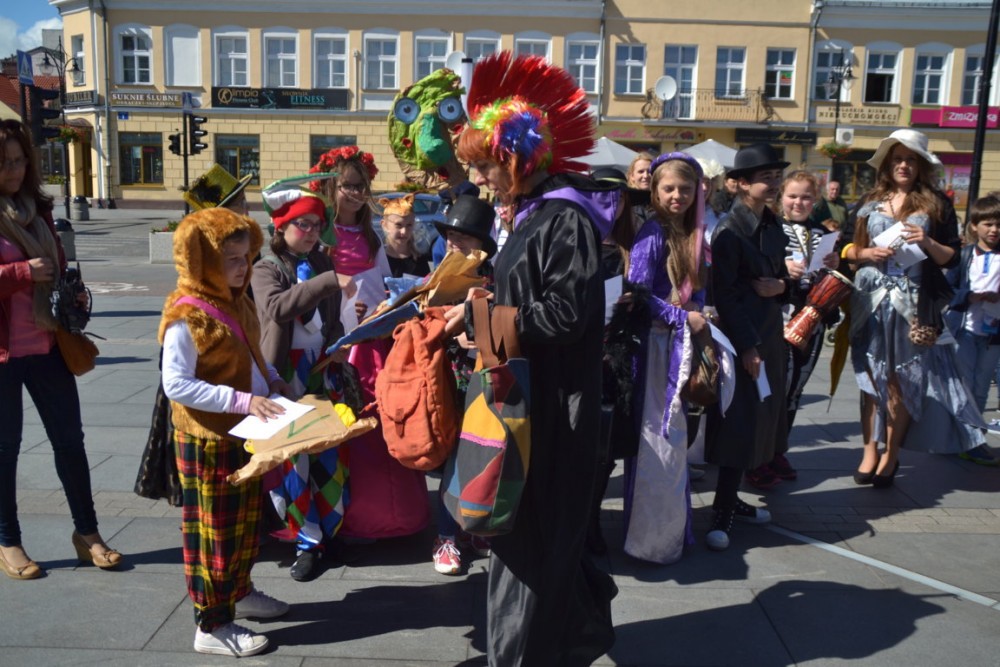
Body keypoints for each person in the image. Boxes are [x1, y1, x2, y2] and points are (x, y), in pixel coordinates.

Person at [450, 51, 618, 666]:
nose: (480, 180)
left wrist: (485, 321)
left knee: (532, 543)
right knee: (532, 541)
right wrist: (479, 309)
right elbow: (528, 303)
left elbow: (566, 316)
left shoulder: (563, 220)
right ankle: (563, 641)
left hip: (553, 411)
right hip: (529, 398)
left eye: (485, 165)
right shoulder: (535, 216)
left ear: (518, 158)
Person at [160, 207, 291, 657]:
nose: (242, 267)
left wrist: (272, 379)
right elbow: (176, 384)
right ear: (203, 262)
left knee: (244, 524)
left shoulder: (238, 301)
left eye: (246, 257)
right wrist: (243, 401)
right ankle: (211, 624)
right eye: (231, 259)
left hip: (242, 433)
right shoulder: (187, 314)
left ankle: (239, 591)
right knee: (213, 533)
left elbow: (252, 354)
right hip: (208, 440)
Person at [0, 119, 123, 580]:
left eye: (19, 160)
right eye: (4, 163)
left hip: (49, 344)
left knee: (70, 442)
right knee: (5, 449)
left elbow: (58, 263)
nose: (14, 170)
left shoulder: (39, 209)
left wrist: (72, 293)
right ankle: (8, 541)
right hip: (4, 353)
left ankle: (87, 533)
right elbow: (27, 271)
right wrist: (21, 274)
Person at [841, 129, 989, 486]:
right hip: (870, 300)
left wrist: (927, 241)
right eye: (897, 159)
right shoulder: (869, 200)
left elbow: (952, 258)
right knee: (869, 378)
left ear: (921, 165)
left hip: (912, 303)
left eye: (910, 159)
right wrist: (867, 253)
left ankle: (891, 455)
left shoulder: (936, 204)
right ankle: (869, 451)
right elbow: (845, 248)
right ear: (887, 165)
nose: (903, 165)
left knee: (901, 380)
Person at [310, 146, 429, 541]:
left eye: (362, 186)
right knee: (346, 426)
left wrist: (380, 308)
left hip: (372, 341)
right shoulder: (319, 235)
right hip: (333, 342)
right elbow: (308, 286)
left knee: (381, 419)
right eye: (349, 186)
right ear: (332, 187)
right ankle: (345, 516)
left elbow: (381, 283)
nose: (357, 193)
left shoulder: (369, 235)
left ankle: (393, 515)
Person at [253, 184, 361, 581]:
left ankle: (331, 531)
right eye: (304, 224)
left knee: (331, 452)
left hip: (322, 367)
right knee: (294, 459)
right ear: (281, 227)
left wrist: (339, 343)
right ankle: (307, 540)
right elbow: (277, 307)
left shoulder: (319, 262)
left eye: (317, 224)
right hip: (284, 374)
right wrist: (329, 280)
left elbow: (331, 319)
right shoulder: (266, 268)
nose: (313, 232)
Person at [136, 163, 254, 507]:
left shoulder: (243, 252)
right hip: (208, 392)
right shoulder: (194, 299)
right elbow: (178, 381)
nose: (245, 211)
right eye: (238, 205)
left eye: (244, 203)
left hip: (234, 380)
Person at [622, 152, 710, 564]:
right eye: (669, 188)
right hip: (655, 349)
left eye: (685, 189)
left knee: (675, 442)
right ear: (655, 191)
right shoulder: (652, 233)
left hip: (679, 345)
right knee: (657, 442)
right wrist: (681, 316)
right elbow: (637, 294)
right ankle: (650, 539)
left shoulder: (694, 234)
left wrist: (701, 311)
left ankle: (672, 530)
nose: (677, 196)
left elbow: (698, 289)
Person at [705, 143, 790, 551]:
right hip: (743, 340)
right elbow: (724, 295)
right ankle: (721, 510)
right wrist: (748, 347)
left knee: (759, 420)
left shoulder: (772, 223)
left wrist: (782, 286)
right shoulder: (728, 230)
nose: (773, 184)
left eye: (776, 177)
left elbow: (782, 278)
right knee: (736, 423)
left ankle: (732, 499)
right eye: (764, 178)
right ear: (739, 184)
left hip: (770, 335)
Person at [745, 171, 840, 490]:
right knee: (773, 387)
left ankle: (778, 450)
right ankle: (757, 456)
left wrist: (834, 263)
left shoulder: (823, 233)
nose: (799, 202)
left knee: (795, 388)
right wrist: (782, 268)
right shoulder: (768, 228)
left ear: (816, 200)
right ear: (781, 197)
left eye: (806, 197)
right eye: (793, 196)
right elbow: (754, 268)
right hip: (779, 320)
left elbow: (828, 275)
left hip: (812, 319)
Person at [429, 194, 497, 575]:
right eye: (450, 236)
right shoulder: (440, 276)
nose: (454, 243)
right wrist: (449, 331)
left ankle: (471, 528)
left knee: (480, 456)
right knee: (456, 458)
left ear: (481, 243)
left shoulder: (496, 276)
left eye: (463, 237)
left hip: (487, 377)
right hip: (453, 380)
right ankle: (445, 537)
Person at [944, 193, 1000, 465]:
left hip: (993, 335)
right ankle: (964, 438)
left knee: (981, 387)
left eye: (998, 224)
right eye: (988, 224)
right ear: (975, 226)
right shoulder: (965, 256)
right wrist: (969, 296)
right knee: (964, 387)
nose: (994, 230)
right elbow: (948, 290)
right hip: (964, 331)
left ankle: (974, 439)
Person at [378, 194, 432, 277]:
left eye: (409, 225)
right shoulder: (379, 260)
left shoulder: (419, 260)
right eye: (398, 225)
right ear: (385, 225)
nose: (404, 231)